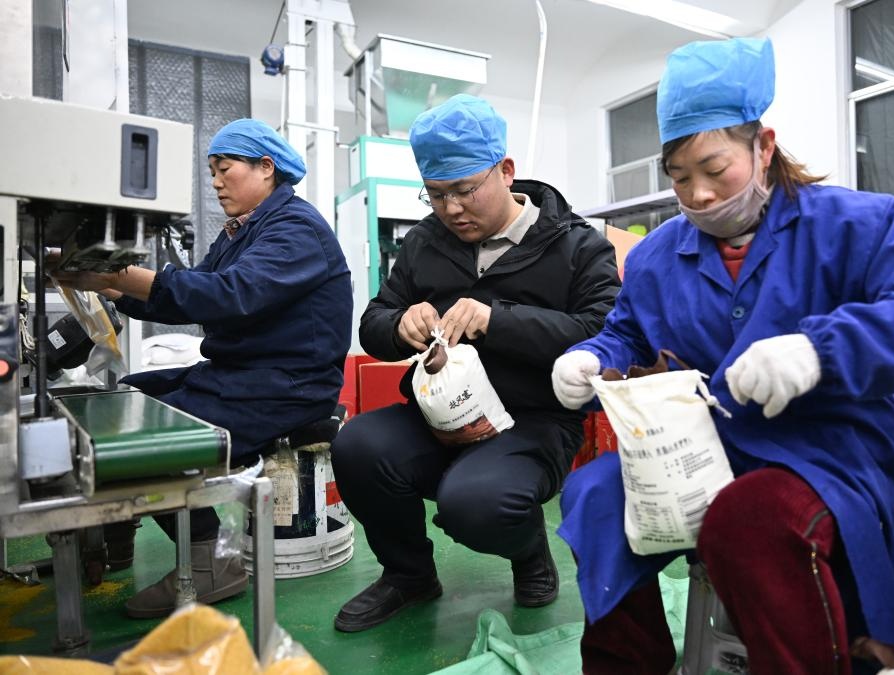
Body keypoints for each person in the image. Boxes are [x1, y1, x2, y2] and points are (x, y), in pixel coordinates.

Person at [551, 37, 894, 675]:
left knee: (751, 519)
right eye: (679, 177)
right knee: (593, 492)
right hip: (705, 450)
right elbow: (628, 333)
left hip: (830, 455)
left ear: (763, 146)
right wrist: (594, 357)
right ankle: (630, 661)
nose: (699, 195)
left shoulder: (853, 225)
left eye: (715, 168)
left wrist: (822, 349)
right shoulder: (655, 257)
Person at [331, 94, 621, 633]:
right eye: (436, 194)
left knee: (477, 505)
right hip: (437, 415)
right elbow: (374, 321)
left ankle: (528, 549)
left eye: (465, 190)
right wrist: (399, 325)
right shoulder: (425, 242)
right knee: (357, 446)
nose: (451, 209)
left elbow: (603, 333)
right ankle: (409, 575)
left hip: (532, 422)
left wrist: (498, 320)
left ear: (505, 171)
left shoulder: (577, 246)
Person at [53, 119, 353, 618]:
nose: (215, 182)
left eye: (223, 168)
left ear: (265, 167)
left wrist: (119, 275)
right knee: (125, 395)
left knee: (145, 433)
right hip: (240, 377)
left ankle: (211, 561)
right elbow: (193, 292)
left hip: (285, 387)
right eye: (211, 171)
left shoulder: (295, 228)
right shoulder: (243, 232)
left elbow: (230, 294)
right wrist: (114, 288)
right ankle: (115, 533)